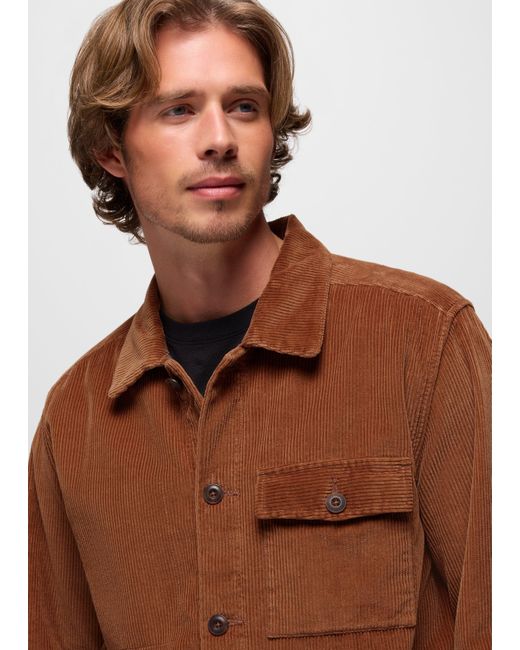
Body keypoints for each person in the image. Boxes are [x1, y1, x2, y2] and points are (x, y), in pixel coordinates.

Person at [28, 0, 491, 648]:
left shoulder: (427, 341)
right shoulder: (75, 419)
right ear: (111, 149)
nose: (220, 138)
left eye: (244, 106)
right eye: (179, 109)